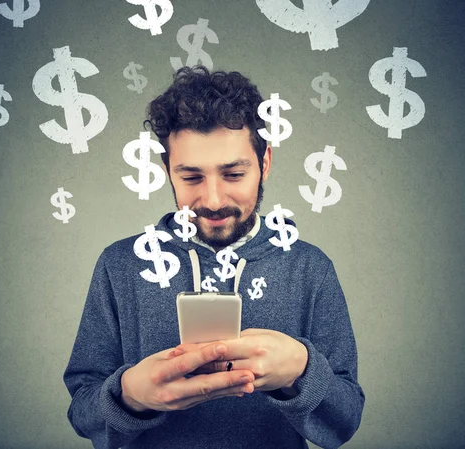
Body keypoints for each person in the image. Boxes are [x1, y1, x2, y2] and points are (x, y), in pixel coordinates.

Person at [63, 65, 365, 449]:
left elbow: (345, 421)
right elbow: (82, 411)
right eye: (191, 178)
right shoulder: (120, 265)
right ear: (166, 171)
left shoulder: (309, 268)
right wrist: (128, 396)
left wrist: (301, 371)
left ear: (265, 163)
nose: (213, 200)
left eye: (234, 174)